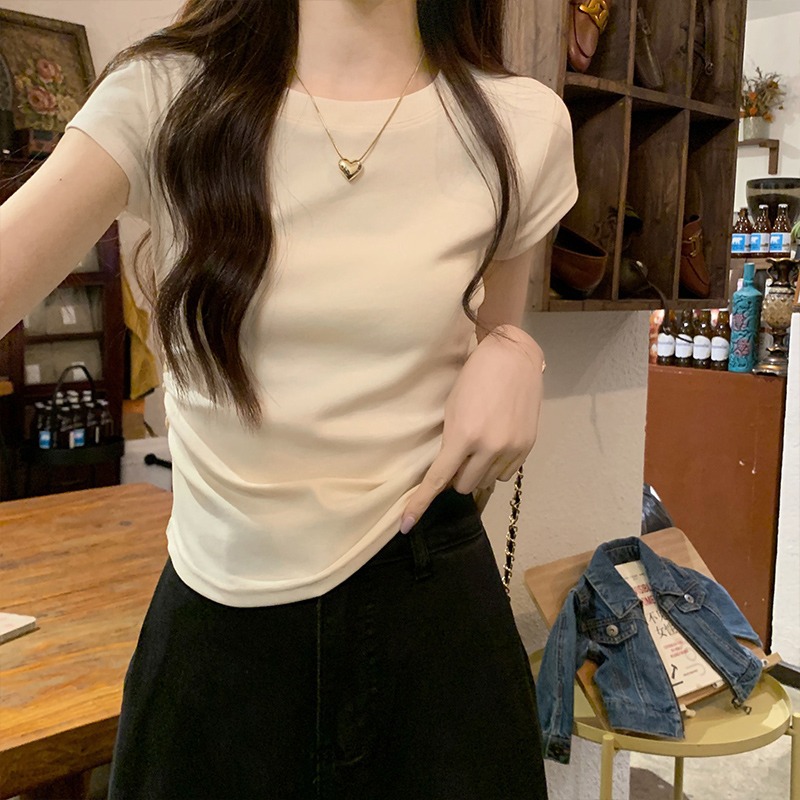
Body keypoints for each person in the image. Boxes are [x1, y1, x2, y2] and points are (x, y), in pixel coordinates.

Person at [0, 0, 578, 797]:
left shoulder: (521, 123)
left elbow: (494, 336)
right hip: (219, 632)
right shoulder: (165, 95)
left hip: (432, 620)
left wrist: (517, 353)